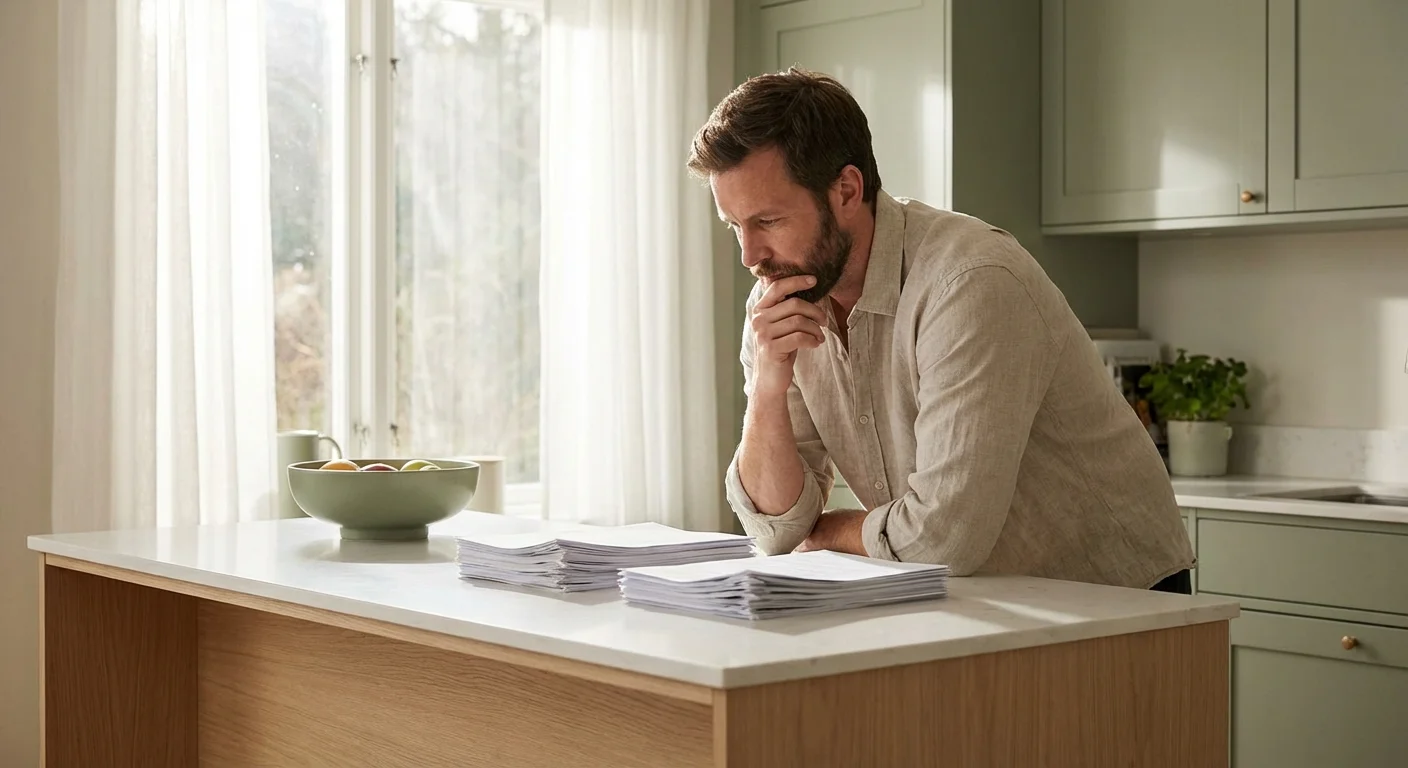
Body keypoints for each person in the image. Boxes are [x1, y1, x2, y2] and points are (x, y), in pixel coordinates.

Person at [687, 67, 1195, 593]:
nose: (750, 256)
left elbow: (943, 538)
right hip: (976, 597)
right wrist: (768, 386)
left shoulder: (970, 281)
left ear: (845, 189)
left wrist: (833, 529)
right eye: (735, 226)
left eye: (767, 222)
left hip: (1115, 598)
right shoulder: (782, 300)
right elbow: (775, 528)